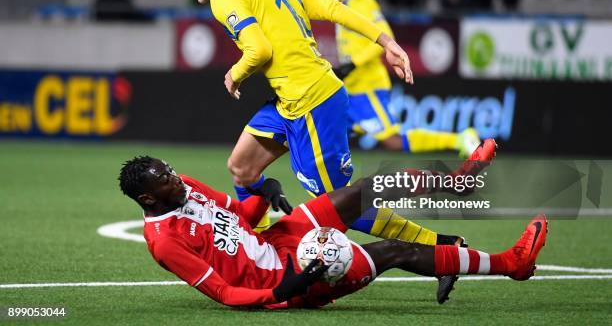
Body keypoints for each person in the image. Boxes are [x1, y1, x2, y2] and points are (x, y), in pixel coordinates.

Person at [169, 0, 479, 303]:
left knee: (339, 202)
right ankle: (262, 246)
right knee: (242, 168)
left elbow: (258, 49)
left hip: (314, 101)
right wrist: (386, 42)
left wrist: (235, 72)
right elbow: (332, 7)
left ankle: (444, 247)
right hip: (288, 101)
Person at [118, 155, 548, 309]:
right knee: (394, 250)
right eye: (167, 181)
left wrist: (264, 192)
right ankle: (511, 264)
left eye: (172, 171)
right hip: (282, 280)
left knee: (362, 190)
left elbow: (243, 217)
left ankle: (458, 181)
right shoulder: (164, 242)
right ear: (150, 200)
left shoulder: (186, 186)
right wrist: (291, 287)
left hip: (276, 239)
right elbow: (227, 294)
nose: (178, 180)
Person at [333, 0, 480, 157]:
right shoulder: (344, 1)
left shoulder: (364, 2)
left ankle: (459, 139)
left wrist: (352, 64)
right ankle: (331, 186)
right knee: (329, 132)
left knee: (393, 141)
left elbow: (388, 38)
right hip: (349, 88)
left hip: (367, 87)